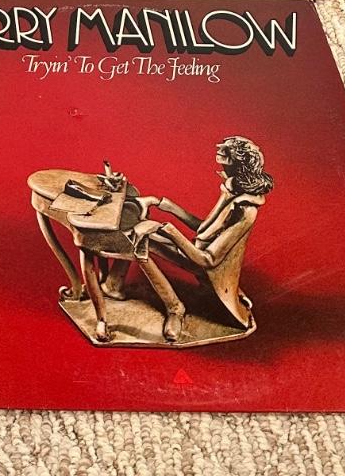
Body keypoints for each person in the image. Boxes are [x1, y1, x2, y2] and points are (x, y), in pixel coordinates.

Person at [104, 137, 274, 342]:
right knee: (136, 230)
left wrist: (165, 229)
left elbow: (208, 260)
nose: (219, 151)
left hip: (205, 266)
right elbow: (204, 229)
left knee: (142, 242)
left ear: (237, 163)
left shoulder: (245, 210)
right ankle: (112, 285)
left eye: (225, 153)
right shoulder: (233, 189)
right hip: (196, 251)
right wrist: (161, 203)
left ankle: (175, 308)